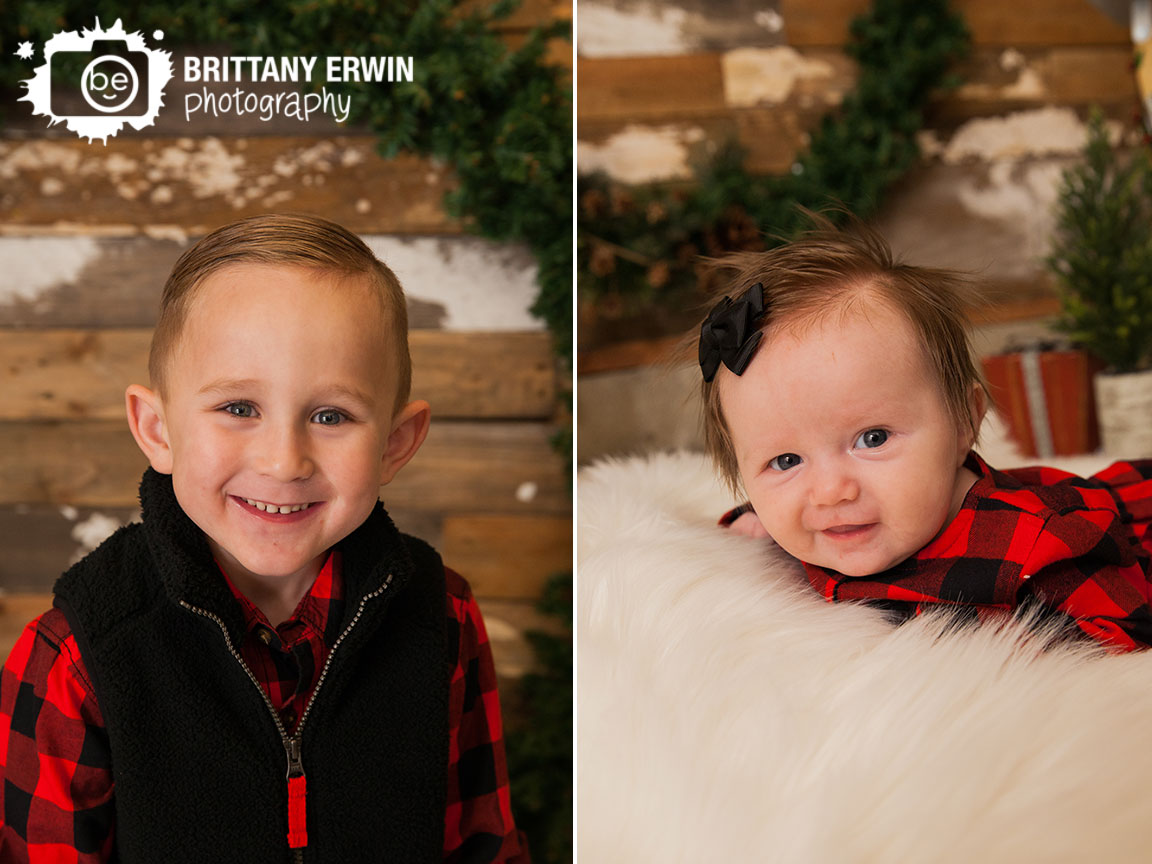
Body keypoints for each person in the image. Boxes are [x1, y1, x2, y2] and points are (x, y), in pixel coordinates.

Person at [0, 214, 528, 862]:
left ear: (395, 443)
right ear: (158, 430)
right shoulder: (78, 653)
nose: (285, 461)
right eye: (239, 408)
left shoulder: (442, 616)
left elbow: (484, 845)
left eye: (330, 415)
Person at [698, 216, 1152, 651]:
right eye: (786, 461)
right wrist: (758, 519)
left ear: (964, 422)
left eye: (872, 439)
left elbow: (1127, 627)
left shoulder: (1036, 552)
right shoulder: (824, 520)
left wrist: (1002, 645)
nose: (830, 492)